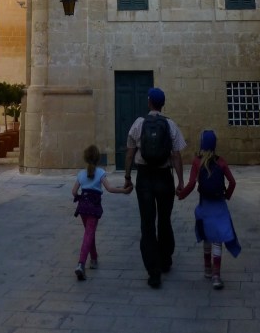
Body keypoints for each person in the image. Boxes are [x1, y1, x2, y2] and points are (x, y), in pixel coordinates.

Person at [124, 87, 186, 288]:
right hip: (164, 178)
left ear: (149, 102)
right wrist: (180, 181)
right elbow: (176, 155)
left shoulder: (138, 124)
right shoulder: (170, 125)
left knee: (147, 225)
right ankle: (165, 260)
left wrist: (127, 177)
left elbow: (130, 153)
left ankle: (153, 272)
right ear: (163, 104)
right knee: (165, 220)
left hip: (145, 178)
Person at [177, 129, 241, 289]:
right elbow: (232, 182)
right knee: (217, 240)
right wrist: (227, 195)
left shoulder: (197, 162)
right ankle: (216, 276)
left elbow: (191, 184)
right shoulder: (221, 162)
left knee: (206, 237)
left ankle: (207, 269)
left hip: (204, 205)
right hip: (219, 205)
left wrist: (181, 195)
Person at [71, 144, 131, 280]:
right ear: (98, 159)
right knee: (89, 233)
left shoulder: (81, 174)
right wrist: (124, 190)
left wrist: (78, 197)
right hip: (94, 208)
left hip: (82, 208)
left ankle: (94, 258)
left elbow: (74, 191)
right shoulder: (100, 173)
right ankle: (81, 263)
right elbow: (109, 188)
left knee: (89, 232)